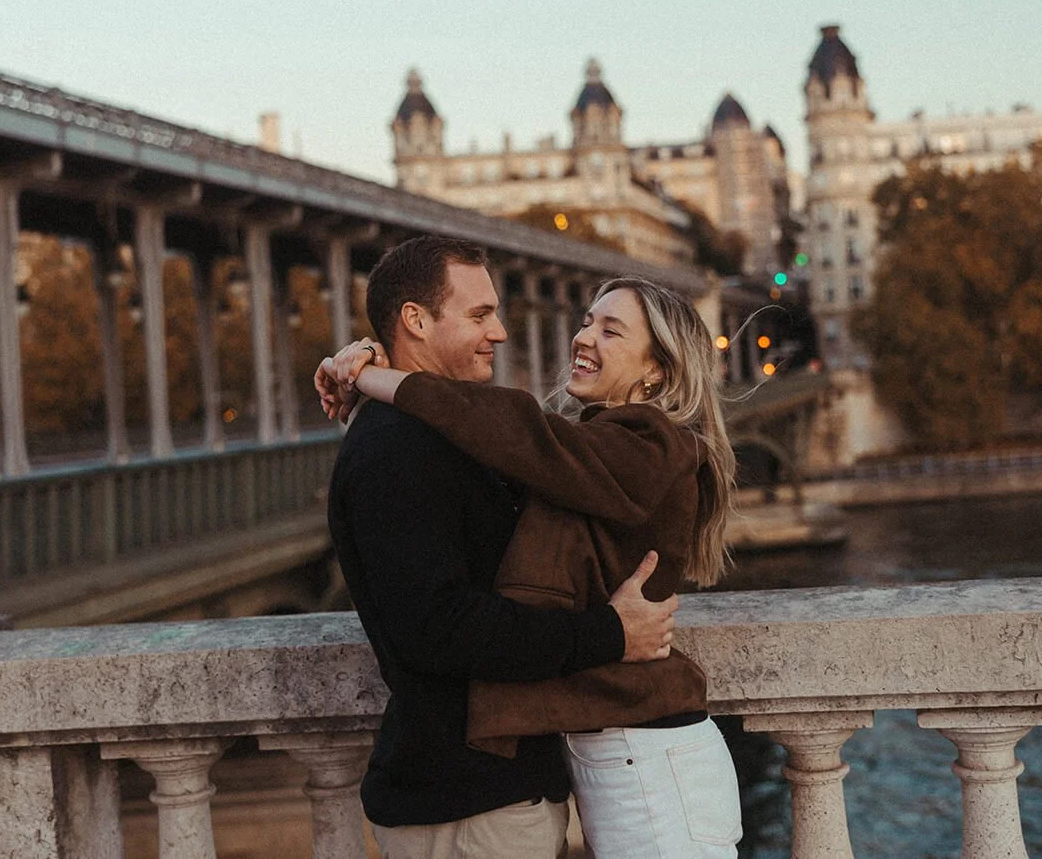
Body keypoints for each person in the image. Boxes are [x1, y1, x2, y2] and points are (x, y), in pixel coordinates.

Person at [319, 271, 744, 857]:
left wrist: (376, 374)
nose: (585, 336)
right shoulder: (596, 453)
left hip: (651, 762)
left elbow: (513, 430)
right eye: (588, 320)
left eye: (612, 331)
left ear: (658, 371)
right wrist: (375, 360)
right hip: (620, 758)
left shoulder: (652, 448)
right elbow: (510, 454)